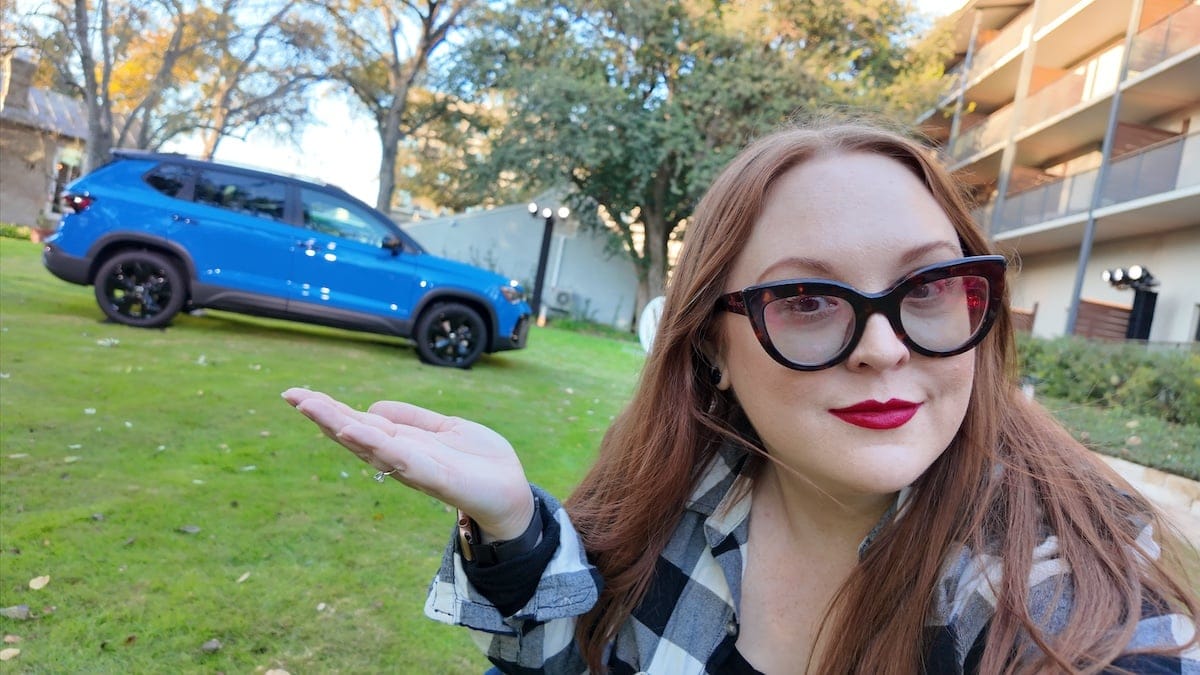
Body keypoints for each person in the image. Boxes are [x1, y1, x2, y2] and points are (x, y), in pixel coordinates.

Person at [283, 119, 1199, 674]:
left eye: (925, 288)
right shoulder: (681, 496)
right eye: (805, 300)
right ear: (711, 347)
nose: (884, 350)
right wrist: (519, 530)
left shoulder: (1063, 589)